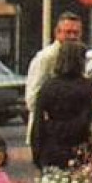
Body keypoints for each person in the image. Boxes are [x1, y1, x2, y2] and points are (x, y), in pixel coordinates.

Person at [31, 41, 92, 171]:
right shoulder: (87, 86)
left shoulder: (48, 86)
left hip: (51, 146)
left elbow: (38, 121)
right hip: (77, 145)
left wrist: (37, 151)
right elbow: (88, 118)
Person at [24, 11, 83, 150]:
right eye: (68, 32)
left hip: (71, 133)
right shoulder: (45, 58)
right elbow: (32, 98)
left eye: (76, 33)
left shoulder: (79, 56)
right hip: (46, 134)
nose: (72, 37)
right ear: (57, 33)